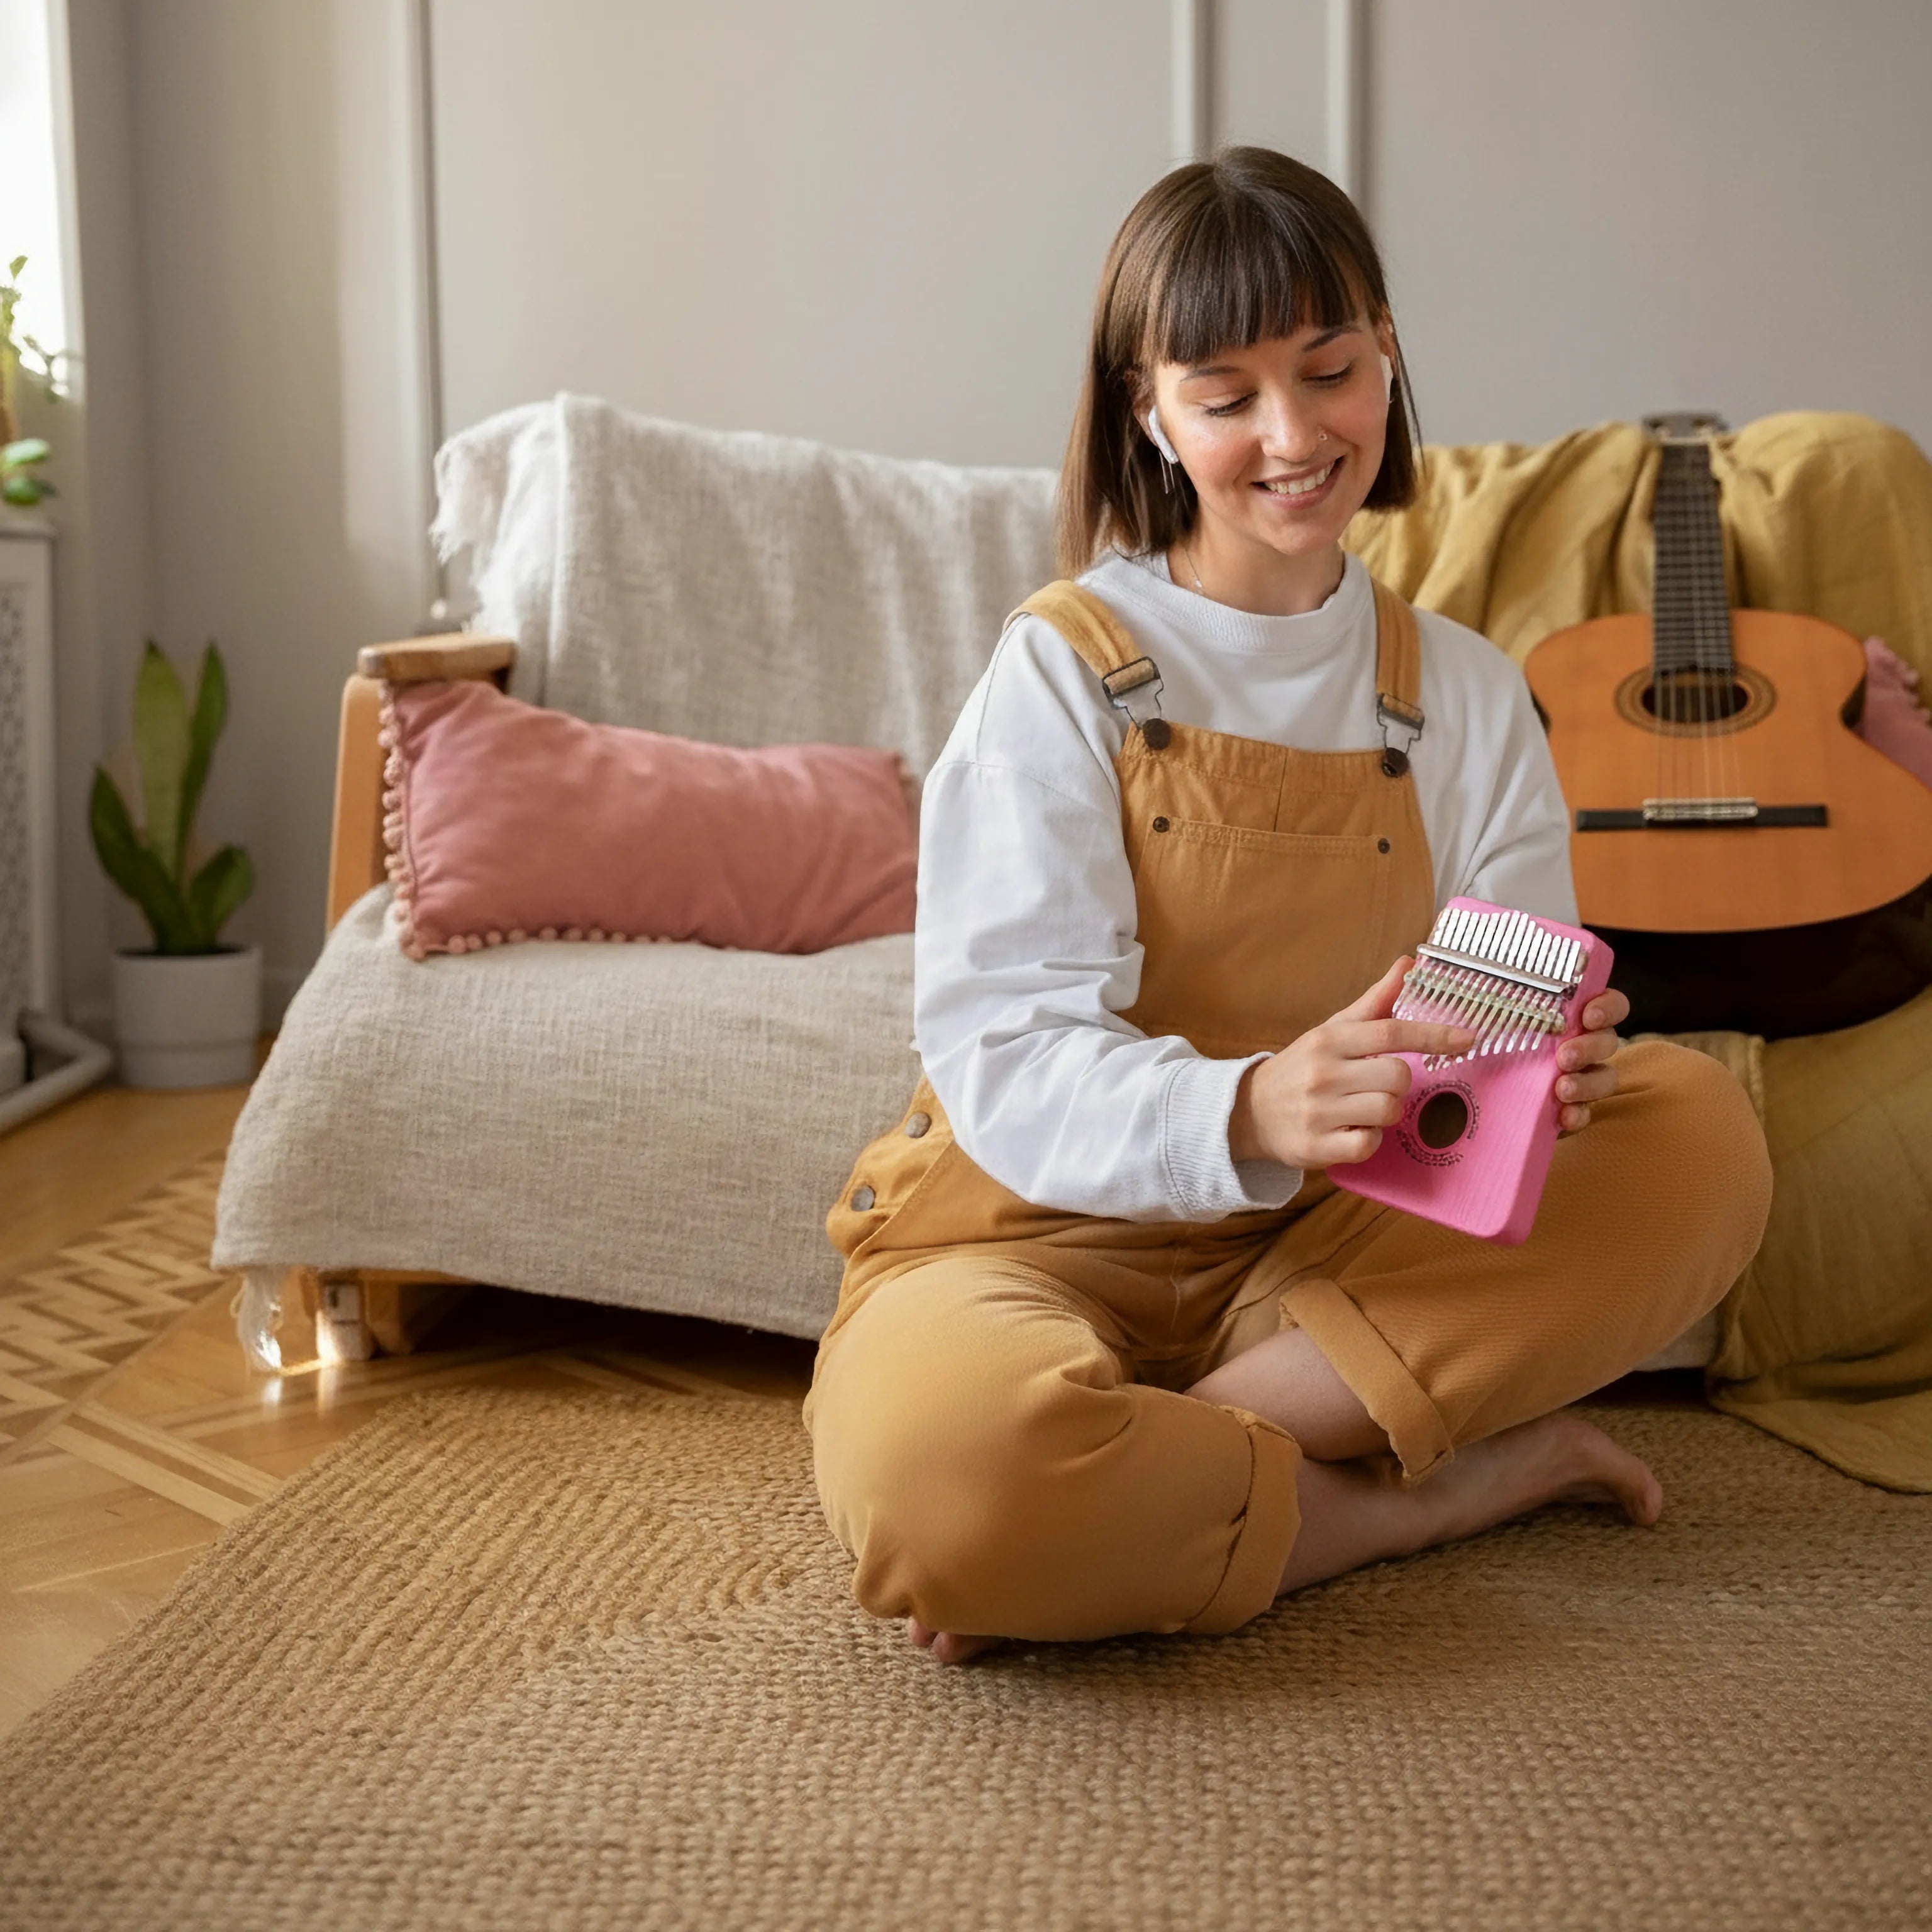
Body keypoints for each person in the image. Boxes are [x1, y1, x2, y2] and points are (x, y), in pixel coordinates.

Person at [803, 147, 1772, 1665]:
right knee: (944, 1475)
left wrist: (1543, 1083)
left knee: (1698, 1132)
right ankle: (1412, 1500)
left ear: (1385, 349)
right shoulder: (1064, 669)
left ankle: (1123, 1492)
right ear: (1149, 411)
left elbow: (1486, 1043)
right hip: (1031, 1242)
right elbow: (1003, 1051)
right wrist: (1253, 1104)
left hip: (1330, 1255)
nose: (1294, 435)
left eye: (1330, 370)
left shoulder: (1464, 690)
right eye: (1227, 394)